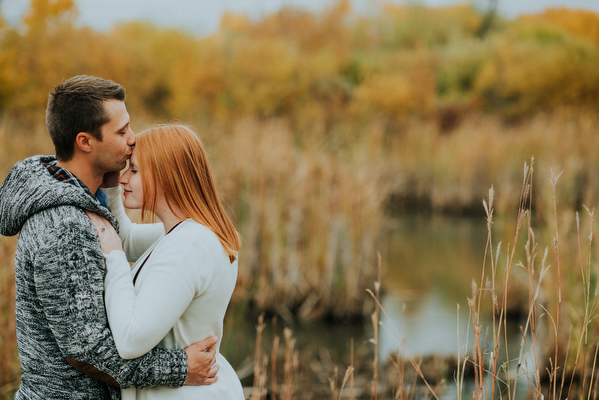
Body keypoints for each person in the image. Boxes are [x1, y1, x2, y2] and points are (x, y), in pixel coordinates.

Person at [0, 75, 219, 399]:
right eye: (121, 132)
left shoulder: (87, 201)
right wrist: (181, 367)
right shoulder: (65, 226)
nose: (133, 139)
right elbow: (87, 349)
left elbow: (150, 236)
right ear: (85, 142)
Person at [86, 124, 245, 399]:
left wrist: (115, 260)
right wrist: (110, 185)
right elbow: (127, 238)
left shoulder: (189, 246)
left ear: (167, 176)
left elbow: (130, 339)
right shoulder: (193, 232)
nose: (125, 178)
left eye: (134, 170)